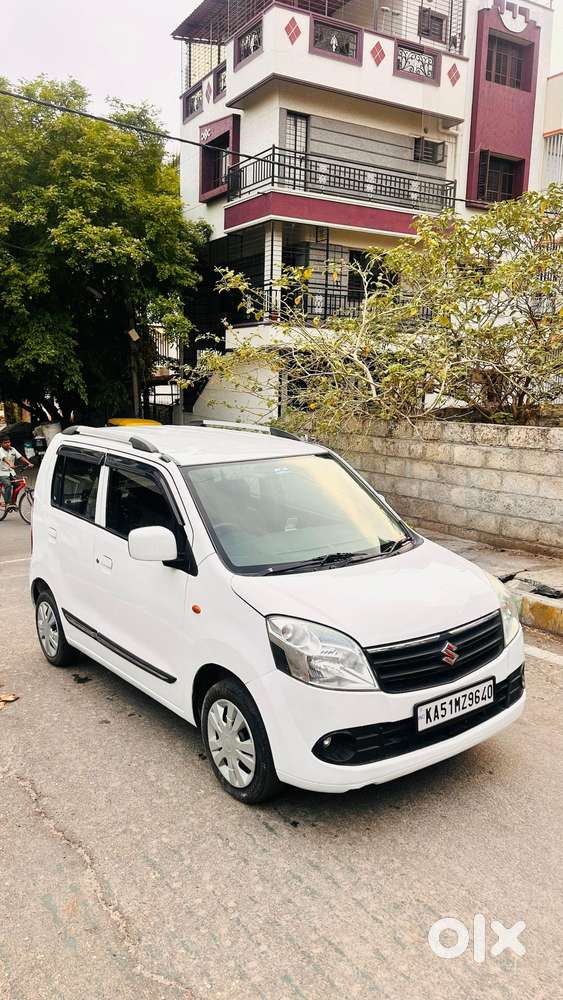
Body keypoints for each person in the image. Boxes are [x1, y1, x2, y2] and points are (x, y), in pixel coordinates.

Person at [0, 436, 33, 508]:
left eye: (8, 442)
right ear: (1, 444)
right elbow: (4, 459)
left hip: (11, 472)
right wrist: (11, 464)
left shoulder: (13, 449)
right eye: (5, 443)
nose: (8, 444)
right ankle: (7, 503)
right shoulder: (0, 451)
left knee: (18, 485)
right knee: (8, 485)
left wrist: (28, 463)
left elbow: (21, 457)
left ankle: (13, 502)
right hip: (2, 473)